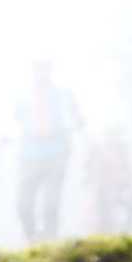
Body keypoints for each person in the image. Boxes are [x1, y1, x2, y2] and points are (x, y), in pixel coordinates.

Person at [11, 59, 81, 243]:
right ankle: (32, 238)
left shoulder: (63, 95)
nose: (41, 73)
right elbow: (12, 121)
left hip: (56, 154)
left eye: (44, 69)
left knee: (50, 204)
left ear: (50, 71)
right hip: (28, 156)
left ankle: (50, 241)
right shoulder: (22, 96)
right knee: (23, 204)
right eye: (37, 69)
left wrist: (73, 125)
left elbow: (77, 119)